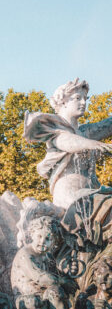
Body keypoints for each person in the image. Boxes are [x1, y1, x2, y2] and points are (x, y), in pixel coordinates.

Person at [24, 78, 112, 245]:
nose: (83, 102)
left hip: (92, 195)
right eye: (77, 98)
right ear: (63, 101)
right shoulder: (54, 130)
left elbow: (108, 125)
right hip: (71, 201)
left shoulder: (84, 131)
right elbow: (69, 142)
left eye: (85, 98)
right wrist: (99, 146)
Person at [11, 216, 77, 309]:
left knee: (57, 292)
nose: (43, 242)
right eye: (39, 236)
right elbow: (40, 277)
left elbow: (56, 275)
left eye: (48, 239)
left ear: (53, 242)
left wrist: (69, 272)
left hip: (46, 299)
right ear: (32, 235)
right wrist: (62, 281)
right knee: (34, 303)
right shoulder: (25, 254)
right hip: (27, 300)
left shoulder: (48, 257)